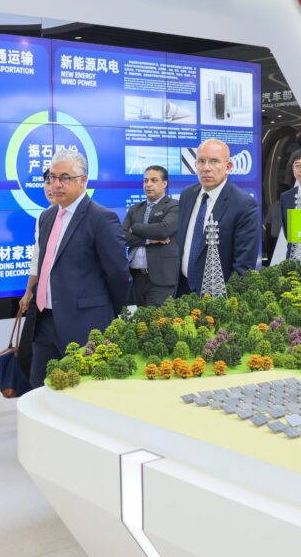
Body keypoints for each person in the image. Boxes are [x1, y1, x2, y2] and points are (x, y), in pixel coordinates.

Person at [27, 150, 130, 389]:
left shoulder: (101, 218)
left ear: (83, 180)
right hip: (44, 320)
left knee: (82, 391)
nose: (56, 184)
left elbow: (118, 274)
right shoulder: (47, 217)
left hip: (85, 322)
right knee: (38, 387)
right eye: (52, 177)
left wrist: (107, 311)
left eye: (65, 178)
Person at [175, 139, 260, 294]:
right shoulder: (187, 195)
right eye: (201, 161)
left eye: (214, 161)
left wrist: (225, 302)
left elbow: (243, 266)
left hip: (218, 296)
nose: (206, 168)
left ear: (228, 167)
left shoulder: (243, 204)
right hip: (182, 291)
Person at [123, 165, 179, 306]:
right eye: (145, 181)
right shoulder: (135, 209)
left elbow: (163, 230)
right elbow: (122, 236)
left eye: (154, 180)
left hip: (160, 280)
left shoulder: (174, 206)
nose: (148, 184)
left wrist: (135, 228)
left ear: (164, 184)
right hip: (134, 277)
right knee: (133, 317)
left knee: (156, 319)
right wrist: (148, 240)